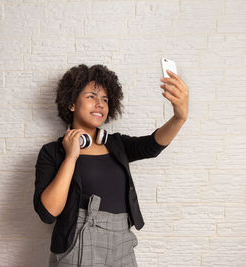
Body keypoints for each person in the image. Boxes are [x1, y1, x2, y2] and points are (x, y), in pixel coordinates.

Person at [33, 64, 189, 266]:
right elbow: (48, 213)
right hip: (79, 241)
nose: (100, 104)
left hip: (122, 242)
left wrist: (179, 117)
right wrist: (71, 156)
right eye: (91, 96)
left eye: (105, 99)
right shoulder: (52, 152)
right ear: (71, 103)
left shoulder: (117, 144)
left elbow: (152, 146)